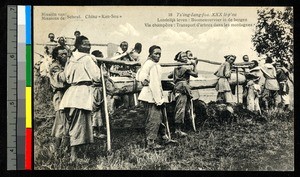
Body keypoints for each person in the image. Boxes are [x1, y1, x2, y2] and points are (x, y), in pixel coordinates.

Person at [59, 35, 101, 162]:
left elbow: (65, 77)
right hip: (81, 95)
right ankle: (74, 157)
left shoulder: (71, 59)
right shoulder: (87, 58)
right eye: (85, 44)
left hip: (70, 94)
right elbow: (97, 77)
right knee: (78, 126)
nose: (88, 46)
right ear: (78, 46)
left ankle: (66, 153)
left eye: (89, 44)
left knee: (70, 125)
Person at [138, 45, 177, 150]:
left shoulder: (149, 64)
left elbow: (141, 77)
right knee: (153, 119)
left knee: (160, 118)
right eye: (156, 53)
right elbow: (154, 84)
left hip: (151, 95)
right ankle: (150, 144)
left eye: (160, 54)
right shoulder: (151, 65)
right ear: (150, 54)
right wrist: (159, 100)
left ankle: (164, 138)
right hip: (150, 96)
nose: (158, 56)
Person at [168, 51, 198, 137]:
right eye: (183, 56)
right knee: (181, 108)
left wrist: (176, 74)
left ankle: (182, 127)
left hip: (177, 87)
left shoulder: (176, 67)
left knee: (182, 108)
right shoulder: (185, 68)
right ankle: (178, 130)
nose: (185, 57)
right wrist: (195, 65)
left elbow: (169, 76)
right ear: (179, 58)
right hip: (183, 88)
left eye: (186, 56)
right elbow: (196, 74)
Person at [49, 46, 69, 156]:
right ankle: (56, 150)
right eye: (62, 54)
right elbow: (61, 80)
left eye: (66, 54)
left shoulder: (64, 65)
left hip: (66, 94)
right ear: (56, 56)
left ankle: (62, 149)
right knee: (61, 122)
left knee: (64, 122)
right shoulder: (54, 67)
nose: (65, 56)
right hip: (59, 95)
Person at [90, 50, 106, 139]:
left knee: (99, 110)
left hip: (99, 89)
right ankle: (95, 131)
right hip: (95, 90)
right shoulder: (94, 67)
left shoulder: (101, 66)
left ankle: (99, 129)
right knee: (96, 110)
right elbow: (97, 78)